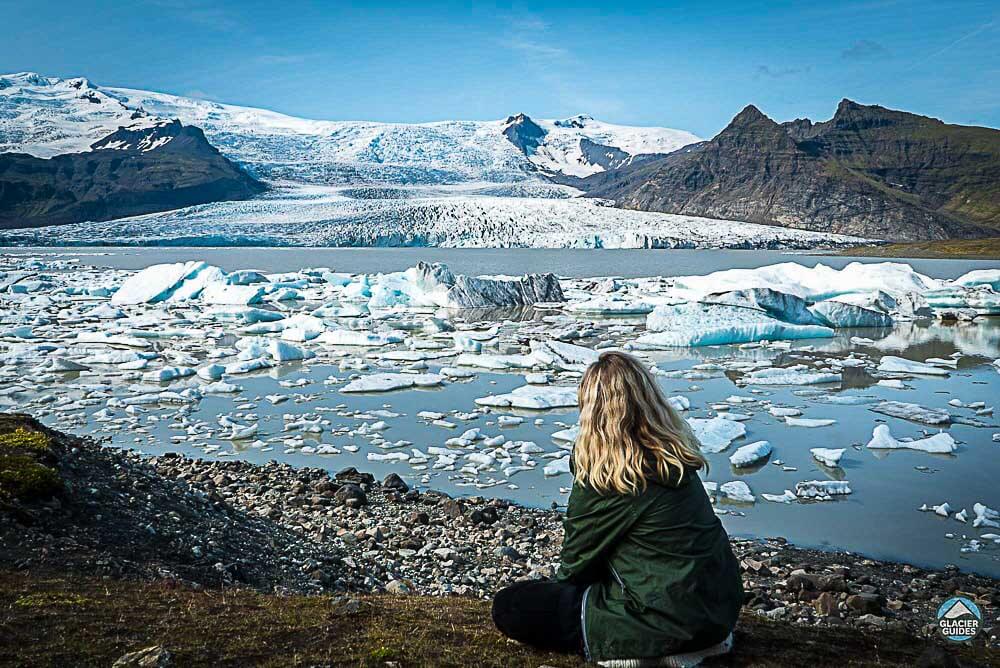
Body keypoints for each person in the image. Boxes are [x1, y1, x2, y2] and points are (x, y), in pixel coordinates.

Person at [492, 352, 744, 667]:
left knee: (511, 605)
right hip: (717, 612)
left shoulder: (609, 475)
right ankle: (700, 641)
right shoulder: (675, 455)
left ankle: (643, 650)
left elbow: (575, 563)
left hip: (666, 620)